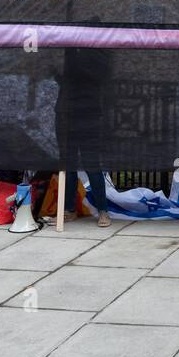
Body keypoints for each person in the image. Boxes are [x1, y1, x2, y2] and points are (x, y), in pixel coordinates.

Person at [57, 47, 112, 227]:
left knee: (92, 165)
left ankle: (103, 211)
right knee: (69, 165)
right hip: (68, 116)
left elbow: (100, 78)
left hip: (89, 117)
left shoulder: (98, 61)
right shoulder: (70, 57)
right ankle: (69, 209)